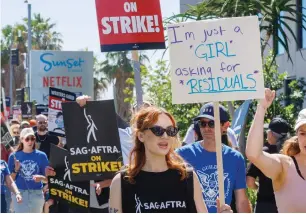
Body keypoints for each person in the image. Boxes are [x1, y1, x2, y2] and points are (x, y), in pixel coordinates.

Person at [109, 106, 232, 213]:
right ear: (141, 136)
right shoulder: (121, 182)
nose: (165, 136)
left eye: (170, 131)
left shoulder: (187, 177)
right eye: (158, 130)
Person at [177, 103, 251, 213]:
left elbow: (242, 201)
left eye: (211, 123)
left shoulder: (236, 158)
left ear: (225, 126)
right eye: (202, 123)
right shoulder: (182, 154)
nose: (206, 128)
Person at [246, 88, 306, 213]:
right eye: (303, 133)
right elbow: (254, 154)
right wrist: (261, 108)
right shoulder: (285, 165)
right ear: (297, 135)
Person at [246, 117, 290, 213]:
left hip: (264, 205)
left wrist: (258, 187)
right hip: (286, 204)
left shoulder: (261, 154)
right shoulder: (291, 153)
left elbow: (249, 181)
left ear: (270, 134)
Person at [8, 128, 49, 213]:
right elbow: (9, 180)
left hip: (37, 194)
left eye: (32, 138)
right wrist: (16, 170)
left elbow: (48, 179)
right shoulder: (13, 156)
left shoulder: (42, 155)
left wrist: (41, 177)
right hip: (20, 194)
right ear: (22, 140)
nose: (30, 141)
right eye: (27, 139)